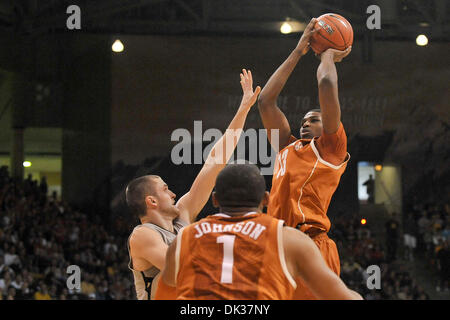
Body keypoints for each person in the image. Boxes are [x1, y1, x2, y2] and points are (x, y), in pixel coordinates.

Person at [125, 69, 261, 300]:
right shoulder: (143, 234)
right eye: (166, 189)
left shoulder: (183, 215)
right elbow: (180, 272)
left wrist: (244, 108)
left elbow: (214, 162)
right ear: (151, 201)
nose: (174, 193)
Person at [161, 164, 362, 300]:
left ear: (215, 200)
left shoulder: (184, 239)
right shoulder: (288, 239)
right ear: (267, 199)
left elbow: (170, 282)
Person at [257, 18, 351, 299]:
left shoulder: (331, 149)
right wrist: (298, 51)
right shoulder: (287, 146)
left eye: (314, 119)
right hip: (276, 244)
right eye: (304, 120)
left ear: (328, 126)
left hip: (311, 244)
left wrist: (328, 55)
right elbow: (266, 102)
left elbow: (325, 82)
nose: (305, 123)